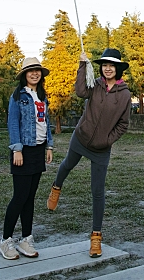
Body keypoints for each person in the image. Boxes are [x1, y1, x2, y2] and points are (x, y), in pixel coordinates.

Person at [46, 48, 131, 258]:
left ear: (118, 68)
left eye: (112, 65)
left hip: (102, 149)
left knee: (98, 192)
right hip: (81, 138)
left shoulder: (125, 95)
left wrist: (107, 140)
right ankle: (56, 187)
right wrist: (83, 65)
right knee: (67, 165)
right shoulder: (95, 85)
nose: (108, 68)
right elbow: (80, 91)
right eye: (104, 65)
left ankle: (96, 237)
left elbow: (123, 125)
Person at [0, 57, 53, 260]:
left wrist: (49, 145)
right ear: (24, 75)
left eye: (37, 71)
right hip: (23, 151)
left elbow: (45, 122)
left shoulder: (42, 95)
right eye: (30, 71)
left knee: (30, 197)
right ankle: (5, 241)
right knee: (19, 197)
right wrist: (17, 149)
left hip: (38, 150)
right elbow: (13, 123)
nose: (35, 74)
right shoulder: (18, 96)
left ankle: (26, 239)